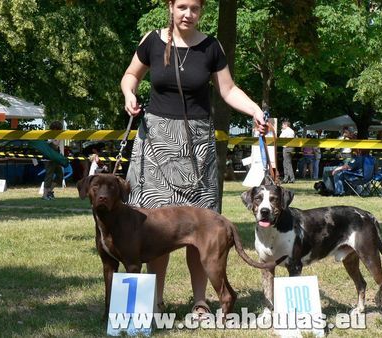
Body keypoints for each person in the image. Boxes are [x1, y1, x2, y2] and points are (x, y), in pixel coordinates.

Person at [120, 0, 267, 318]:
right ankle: (155, 301)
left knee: (200, 228)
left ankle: (200, 301)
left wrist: (255, 109)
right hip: (156, 145)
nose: (188, 14)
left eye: (195, 8)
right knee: (156, 225)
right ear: (170, 7)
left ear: (202, 12)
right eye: (182, 6)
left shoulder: (211, 47)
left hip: (197, 146)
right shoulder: (152, 41)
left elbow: (228, 91)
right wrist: (130, 95)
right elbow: (130, 75)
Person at [42, 121, 64, 200]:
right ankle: (45, 195)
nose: (59, 130)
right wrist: (55, 140)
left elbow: (56, 144)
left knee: (60, 176)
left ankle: (49, 192)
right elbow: (55, 144)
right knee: (49, 175)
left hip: (56, 157)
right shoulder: (49, 135)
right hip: (49, 157)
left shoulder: (58, 135)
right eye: (58, 129)